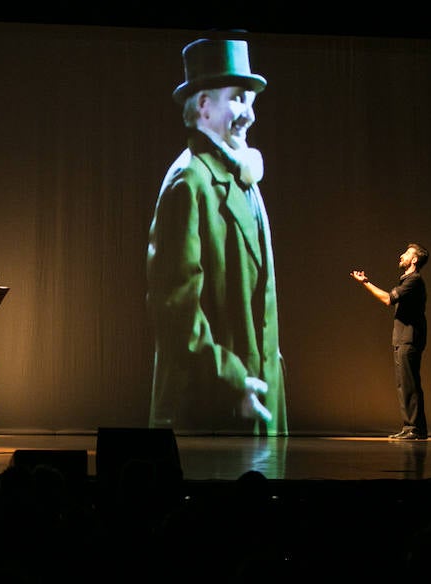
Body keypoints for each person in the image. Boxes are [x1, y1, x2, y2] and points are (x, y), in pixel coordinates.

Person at [146, 37, 287, 435]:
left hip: (254, 401)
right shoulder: (189, 182)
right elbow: (175, 310)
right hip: (215, 407)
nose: (250, 115)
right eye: (239, 98)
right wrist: (232, 380)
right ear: (203, 104)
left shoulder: (238, 176)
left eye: (251, 100)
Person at [350, 243, 430, 440]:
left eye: (407, 253)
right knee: (405, 384)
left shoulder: (414, 281)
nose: (401, 255)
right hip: (404, 339)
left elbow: (388, 299)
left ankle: (414, 428)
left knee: (409, 384)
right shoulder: (408, 280)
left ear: (414, 260)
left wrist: (365, 283)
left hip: (409, 339)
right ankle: (413, 427)